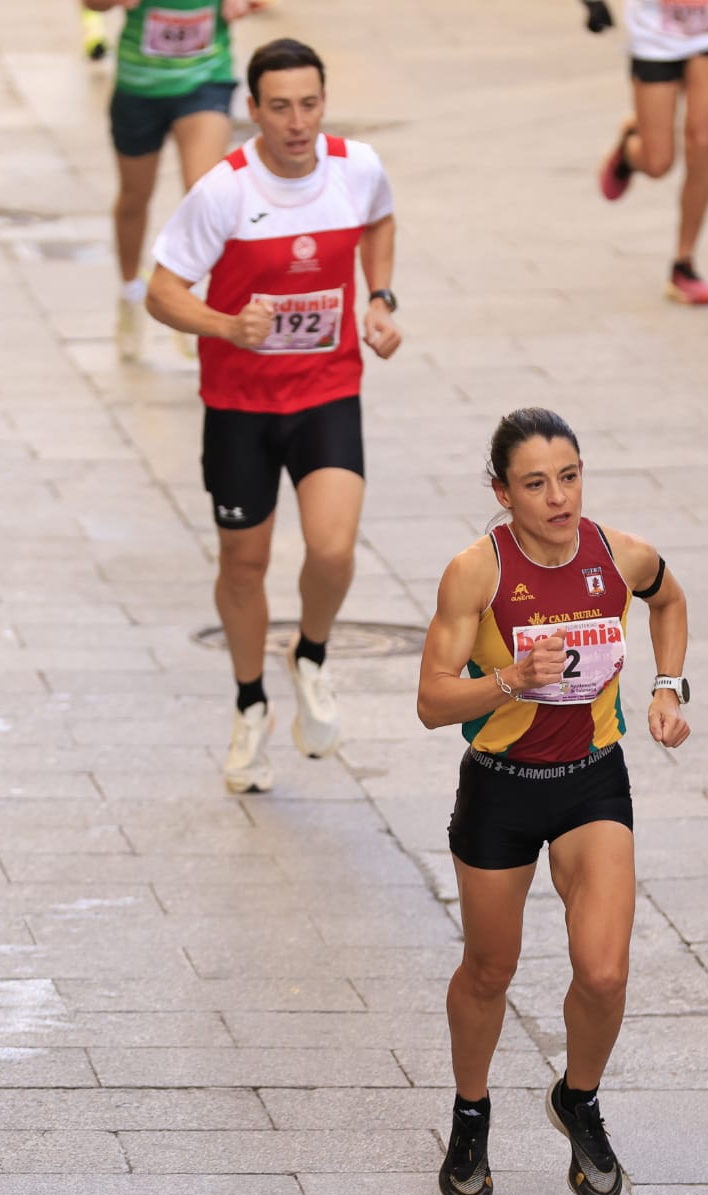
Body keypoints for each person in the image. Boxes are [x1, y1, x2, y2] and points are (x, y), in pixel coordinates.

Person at [416, 408, 691, 1195]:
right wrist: (510, 681)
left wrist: (668, 687)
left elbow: (670, 601)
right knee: (490, 969)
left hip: (591, 780)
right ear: (503, 492)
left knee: (604, 971)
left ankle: (580, 1097)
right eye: (536, 484)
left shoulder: (618, 555)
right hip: (500, 786)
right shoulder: (478, 572)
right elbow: (432, 702)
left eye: (569, 476)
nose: (559, 498)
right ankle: (472, 1113)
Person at [146, 38, 403, 793]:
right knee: (245, 565)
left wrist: (380, 298)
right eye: (280, 107)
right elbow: (163, 290)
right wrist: (226, 326)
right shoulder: (223, 190)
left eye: (310, 104)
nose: (297, 122)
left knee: (331, 548)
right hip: (239, 406)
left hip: (325, 389)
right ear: (251, 110)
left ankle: (312, 653)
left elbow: (381, 220)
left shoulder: (357, 167)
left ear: (325, 102)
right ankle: (250, 703)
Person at [86, 0, 268, 360]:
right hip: (139, 88)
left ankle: (196, 309)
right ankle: (130, 294)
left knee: (206, 194)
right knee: (134, 198)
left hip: (204, 82)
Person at [586, 0, 708, 305]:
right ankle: (631, 149)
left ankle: (684, 265)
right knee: (658, 163)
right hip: (654, 31)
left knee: (702, 141)